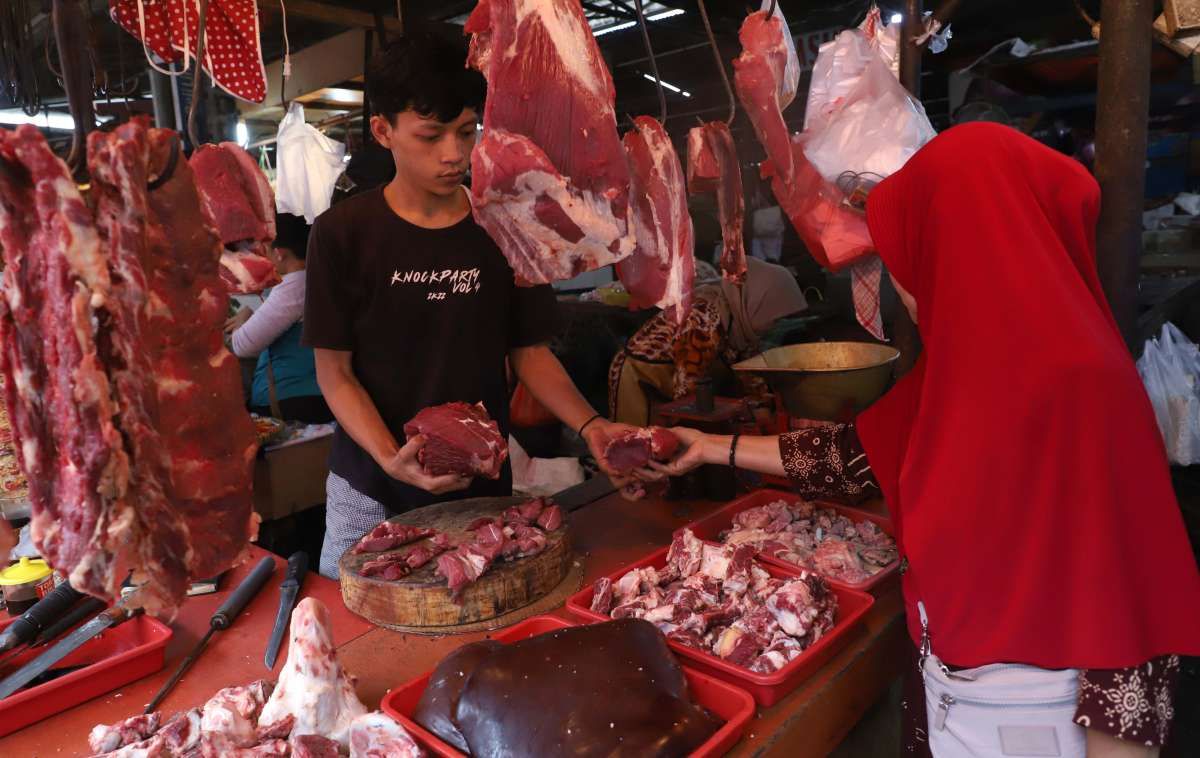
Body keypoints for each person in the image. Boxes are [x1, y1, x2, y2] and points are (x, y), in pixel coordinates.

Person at [653, 124, 1200, 757]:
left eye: (910, 254)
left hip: (1041, 720)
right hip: (948, 691)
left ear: (964, 243)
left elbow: (1132, 624)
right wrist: (710, 446)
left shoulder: (1083, 384)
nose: (901, 284)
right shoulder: (958, 369)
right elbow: (848, 458)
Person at [303, 35, 640, 579]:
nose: (454, 154)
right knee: (360, 630)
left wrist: (593, 425)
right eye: (431, 136)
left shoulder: (503, 224)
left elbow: (528, 350)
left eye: (466, 132)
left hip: (479, 483)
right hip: (370, 485)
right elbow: (334, 373)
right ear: (384, 131)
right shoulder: (342, 234)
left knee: (474, 621)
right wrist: (392, 456)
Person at [608, 257, 807, 426]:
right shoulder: (704, 318)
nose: (776, 324)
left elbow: (748, 369)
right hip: (641, 376)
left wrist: (761, 405)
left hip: (674, 380)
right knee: (642, 449)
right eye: (776, 315)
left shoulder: (740, 318)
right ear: (760, 301)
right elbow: (688, 390)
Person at [226, 213, 332, 424]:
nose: (263, 257)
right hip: (310, 395)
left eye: (266, 250)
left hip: (296, 401)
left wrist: (243, 321)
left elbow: (242, 345)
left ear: (280, 253)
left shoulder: (295, 285)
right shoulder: (314, 278)